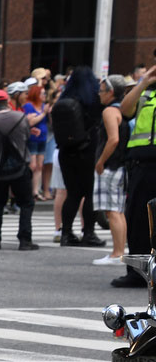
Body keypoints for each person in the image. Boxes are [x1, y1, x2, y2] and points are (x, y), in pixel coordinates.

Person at [0, 89, 38, 251]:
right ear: (8, 101)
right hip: (20, 166)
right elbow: (26, 137)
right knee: (26, 203)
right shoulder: (20, 117)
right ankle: (25, 240)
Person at [50, 66, 104, 248]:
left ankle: (66, 233)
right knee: (89, 194)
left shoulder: (63, 100)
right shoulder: (93, 101)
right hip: (88, 150)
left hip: (66, 152)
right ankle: (88, 233)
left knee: (72, 194)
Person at [117, 65, 156, 286]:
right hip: (141, 163)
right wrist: (143, 82)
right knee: (137, 218)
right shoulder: (147, 91)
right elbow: (125, 109)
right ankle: (136, 273)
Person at [93, 75, 133, 266]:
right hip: (122, 165)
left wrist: (100, 161)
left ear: (110, 92)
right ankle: (120, 251)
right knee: (118, 210)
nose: (99, 94)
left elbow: (113, 139)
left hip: (110, 166)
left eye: (101, 90)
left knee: (112, 211)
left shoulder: (109, 111)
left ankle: (117, 253)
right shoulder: (124, 110)